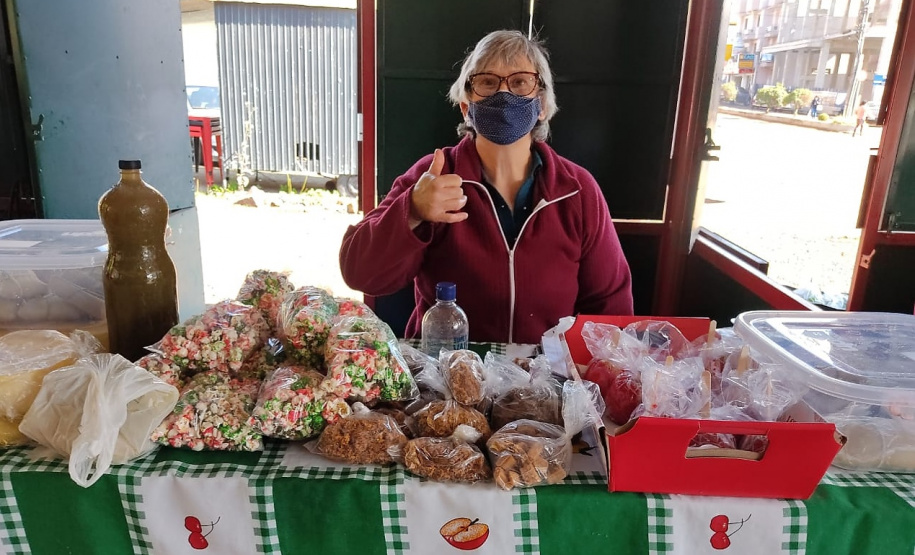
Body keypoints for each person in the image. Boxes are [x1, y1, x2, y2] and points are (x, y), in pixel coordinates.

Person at [339, 30, 634, 344]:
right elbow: (360, 273)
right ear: (467, 107)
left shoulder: (576, 190)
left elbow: (610, 305)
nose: (504, 95)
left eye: (520, 82)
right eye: (488, 82)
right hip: (445, 375)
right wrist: (412, 209)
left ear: (543, 106)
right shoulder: (432, 179)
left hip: (541, 382)